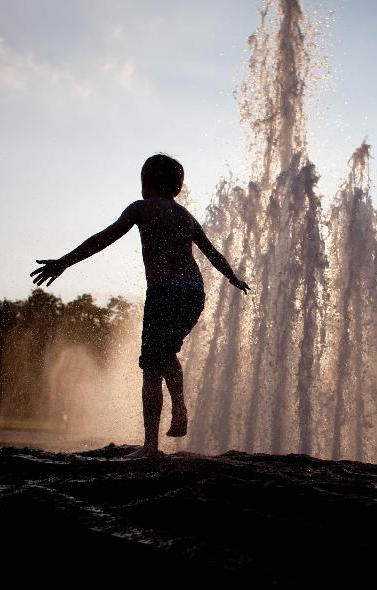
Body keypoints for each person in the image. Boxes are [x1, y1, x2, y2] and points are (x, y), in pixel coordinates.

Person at [31, 154, 250, 459]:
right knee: (164, 352)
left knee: (151, 366)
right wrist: (234, 279)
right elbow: (211, 252)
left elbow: (104, 238)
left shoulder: (141, 208)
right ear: (178, 186)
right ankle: (180, 408)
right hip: (193, 293)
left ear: (146, 182)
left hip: (164, 292)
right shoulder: (185, 215)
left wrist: (64, 262)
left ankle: (149, 447)